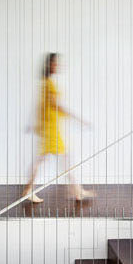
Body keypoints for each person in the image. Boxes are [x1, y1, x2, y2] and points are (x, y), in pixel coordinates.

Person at [22, 52, 92, 209]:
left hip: (50, 127)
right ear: (48, 65)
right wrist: (77, 118)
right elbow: (54, 106)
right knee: (55, 159)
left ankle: (76, 190)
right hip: (50, 129)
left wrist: (36, 125)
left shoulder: (46, 83)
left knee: (57, 159)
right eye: (55, 63)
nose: (57, 66)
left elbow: (42, 106)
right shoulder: (48, 84)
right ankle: (75, 191)